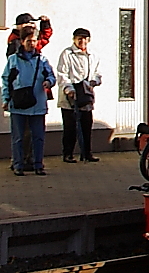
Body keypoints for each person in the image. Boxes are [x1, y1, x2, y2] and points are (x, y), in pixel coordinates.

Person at [3, 24, 56, 176]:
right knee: (18, 137)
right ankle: (18, 165)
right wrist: (5, 99)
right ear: (21, 41)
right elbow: (6, 80)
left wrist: (49, 82)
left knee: (38, 137)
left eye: (34, 40)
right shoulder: (13, 60)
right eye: (28, 41)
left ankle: (38, 164)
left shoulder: (42, 60)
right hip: (18, 104)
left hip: (37, 103)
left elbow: (51, 76)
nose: (31, 43)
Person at [57, 27, 103, 163]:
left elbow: (97, 73)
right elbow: (62, 74)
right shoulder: (67, 54)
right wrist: (69, 89)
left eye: (84, 39)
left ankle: (86, 153)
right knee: (70, 127)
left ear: (89, 40)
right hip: (70, 96)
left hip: (86, 95)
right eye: (79, 38)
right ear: (74, 39)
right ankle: (68, 153)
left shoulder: (93, 56)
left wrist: (94, 81)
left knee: (86, 125)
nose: (82, 41)